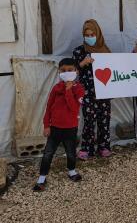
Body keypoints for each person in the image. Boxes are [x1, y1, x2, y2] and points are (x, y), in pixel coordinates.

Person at [33, 58, 85, 191]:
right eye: (63, 71)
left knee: (71, 152)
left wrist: (68, 90)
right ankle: (42, 177)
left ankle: (72, 171)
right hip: (55, 128)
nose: (66, 72)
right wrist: (46, 125)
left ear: (76, 71)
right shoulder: (56, 88)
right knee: (48, 153)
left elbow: (74, 108)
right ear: (59, 72)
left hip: (70, 128)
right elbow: (49, 107)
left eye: (70, 70)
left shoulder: (79, 89)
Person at [73, 19, 112, 160]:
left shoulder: (106, 51)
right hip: (88, 93)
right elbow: (73, 73)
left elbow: (113, 71)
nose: (89, 37)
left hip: (104, 92)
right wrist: (83, 63)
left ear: (98, 34)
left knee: (104, 120)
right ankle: (86, 148)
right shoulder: (78, 51)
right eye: (87, 35)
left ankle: (104, 147)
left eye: (92, 34)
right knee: (89, 122)